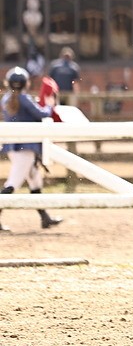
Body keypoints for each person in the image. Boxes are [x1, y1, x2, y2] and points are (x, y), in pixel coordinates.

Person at [0, 67, 61, 232]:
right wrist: (50, 105)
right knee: (13, 183)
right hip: (25, 148)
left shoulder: (6, 99)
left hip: (14, 147)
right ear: (25, 83)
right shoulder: (24, 98)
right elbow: (42, 114)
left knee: (35, 181)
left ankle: (44, 217)